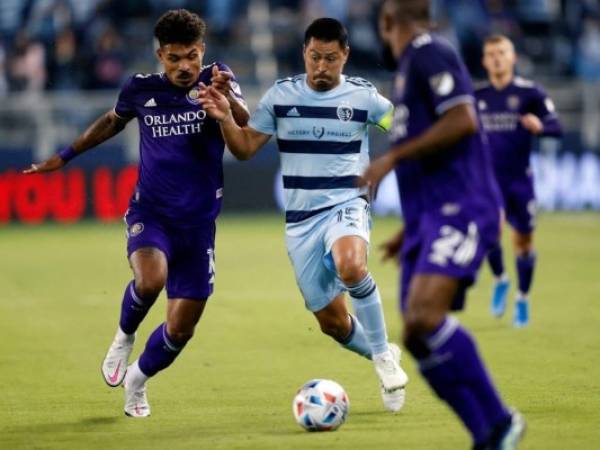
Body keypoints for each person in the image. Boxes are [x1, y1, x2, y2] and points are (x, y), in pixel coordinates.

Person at [23, 9, 249, 417]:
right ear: (160, 55)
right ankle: (124, 335)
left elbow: (246, 129)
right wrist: (65, 156)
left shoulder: (218, 77)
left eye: (192, 56)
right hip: (152, 212)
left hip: (198, 225)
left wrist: (227, 97)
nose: (185, 66)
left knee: (181, 330)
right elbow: (112, 121)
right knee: (150, 281)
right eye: (175, 57)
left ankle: (138, 380)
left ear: (203, 51)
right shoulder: (139, 89)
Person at [199, 17, 408, 412]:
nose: (322, 67)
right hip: (301, 222)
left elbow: (404, 126)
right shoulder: (282, 97)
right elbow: (244, 148)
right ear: (304, 54)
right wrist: (225, 116)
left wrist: (387, 164)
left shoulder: (364, 98)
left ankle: (383, 358)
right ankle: (382, 355)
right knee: (333, 323)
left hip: (347, 204)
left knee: (351, 266)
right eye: (315, 57)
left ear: (344, 56)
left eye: (331, 58)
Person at [360, 1, 525, 448]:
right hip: (431, 216)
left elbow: (463, 119)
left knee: (426, 316)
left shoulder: (430, 50)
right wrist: (410, 229)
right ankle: (486, 435)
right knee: (415, 333)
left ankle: (500, 419)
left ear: (387, 23)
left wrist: (391, 157)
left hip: (463, 206)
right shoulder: (409, 70)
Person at [476, 34, 562, 327]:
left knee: (523, 243)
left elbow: (556, 124)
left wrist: (541, 126)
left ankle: (522, 298)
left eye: (502, 52)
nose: (497, 58)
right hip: (488, 181)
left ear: (512, 57)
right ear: (485, 61)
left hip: (519, 181)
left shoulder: (530, 93)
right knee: (490, 231)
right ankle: (500, 279)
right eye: (491, 53)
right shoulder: (478, 98)